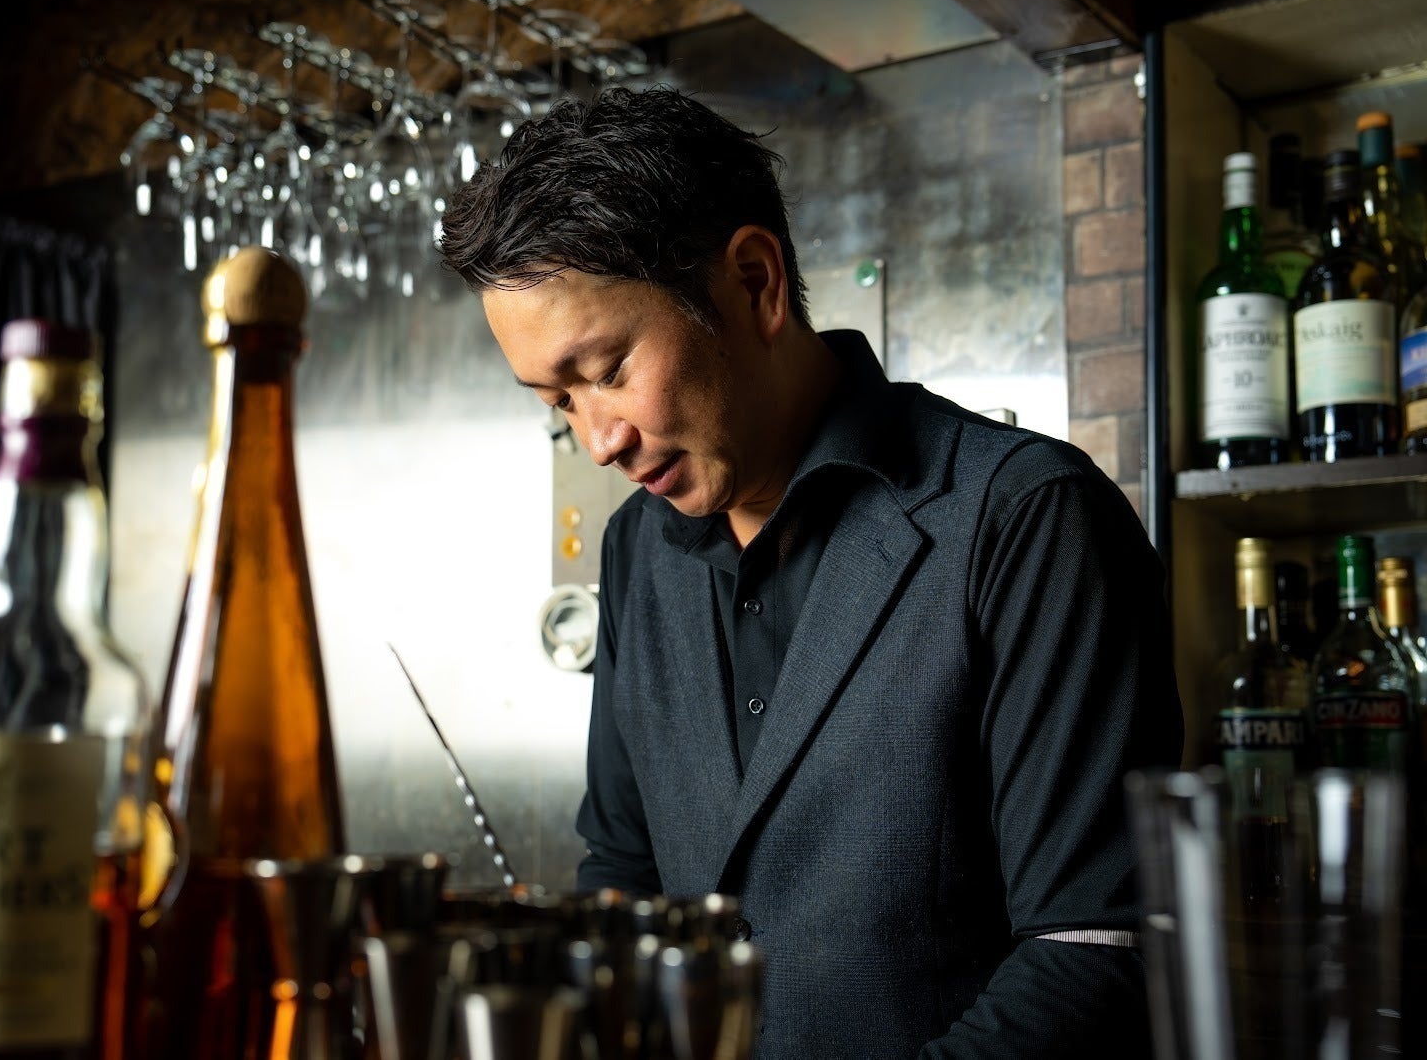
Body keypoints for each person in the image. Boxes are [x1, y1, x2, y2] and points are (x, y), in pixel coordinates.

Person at [439, 85, 1183, 1058]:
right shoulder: (635, 555)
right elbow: (622, 877)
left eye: (609, 369)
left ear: (754, 282)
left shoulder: (1025, 519)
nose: (599, 439)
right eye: (557, 401)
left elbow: (1093, 950)